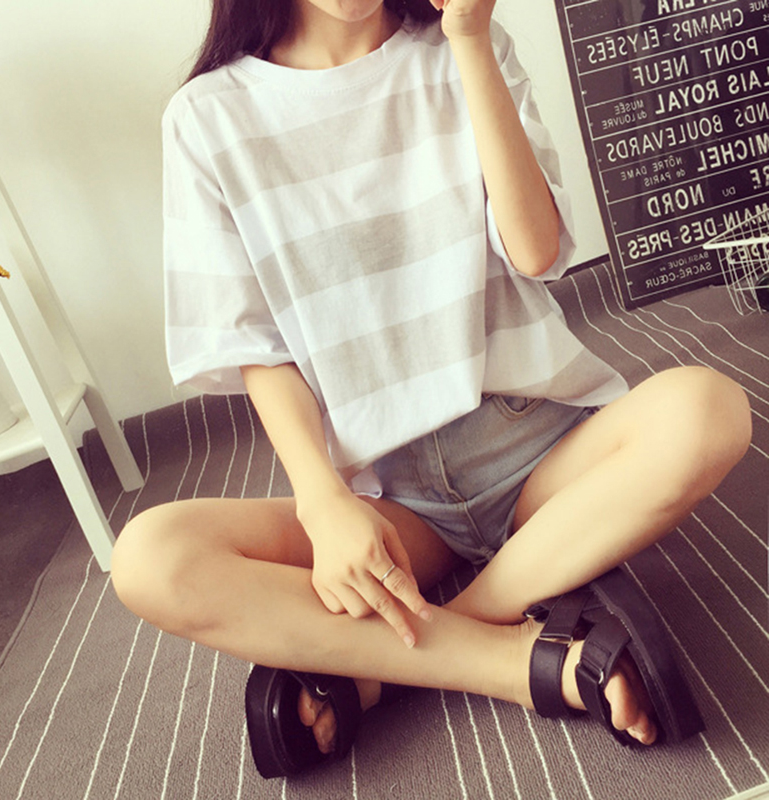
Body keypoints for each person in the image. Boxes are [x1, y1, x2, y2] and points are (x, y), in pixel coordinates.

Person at [111, 0, 752, 779]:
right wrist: (322, 502)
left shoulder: (466, 45)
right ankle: (511, 662)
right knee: (150, 558)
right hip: (393, 507)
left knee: (708, 411)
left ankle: (406, 653)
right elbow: (256, 348)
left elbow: (537, 250)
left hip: (542, 452)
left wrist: (470, 41)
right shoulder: (207, 117)